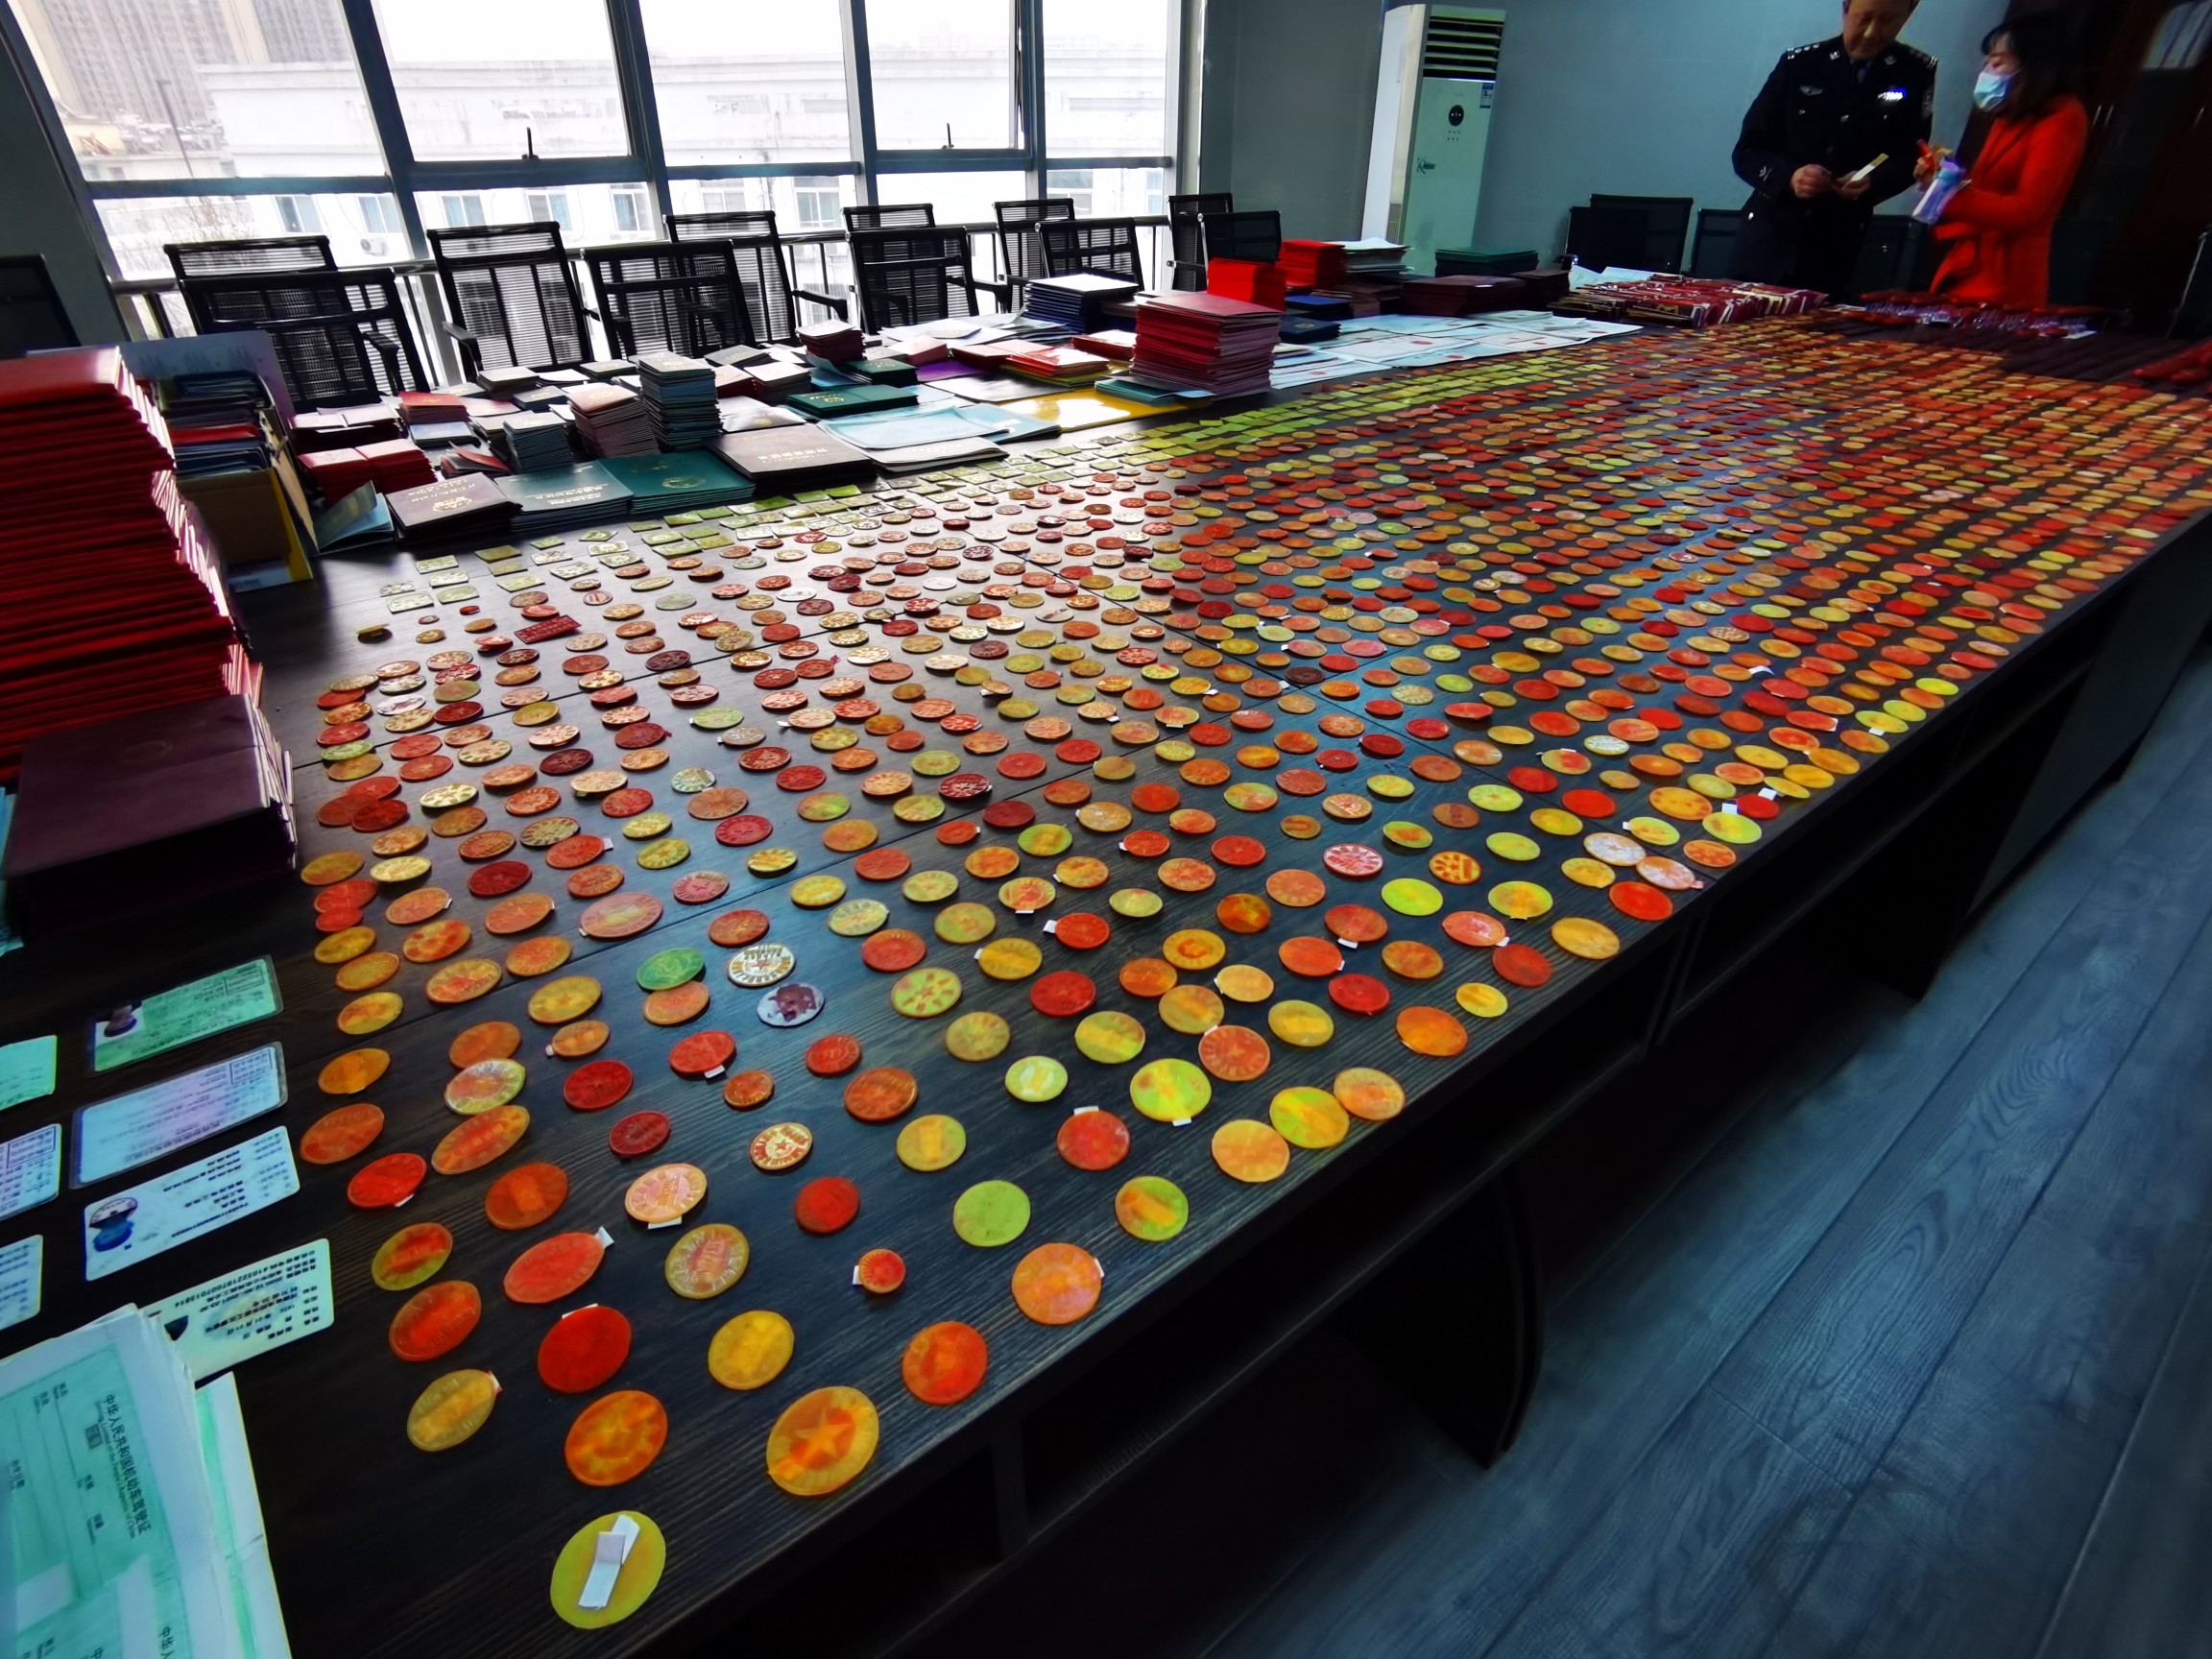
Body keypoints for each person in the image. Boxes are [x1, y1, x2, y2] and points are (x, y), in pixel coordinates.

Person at [1732, 0, 1936, 299]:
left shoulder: (1914, 72)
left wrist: (1872, 179)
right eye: (1864, 18)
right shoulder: (1800, 65)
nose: (1871, 32)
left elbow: (1911, 154)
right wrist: (1790, 176)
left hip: (1838, 241)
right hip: (1769, 236)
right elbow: (1748, 150)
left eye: (1886, 21)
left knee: (1816, 327)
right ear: (1845, 8)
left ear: (1909, 13)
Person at [1919, 15, 2089, 308]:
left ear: (2033, 67)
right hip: (1969, 264)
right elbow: (1986, 188)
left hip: (2007, 276)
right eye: (1987, 62)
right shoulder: (2011, 113)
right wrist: (1941, 176)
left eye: (1997, 63)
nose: (1986, 71)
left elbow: (2028, 211)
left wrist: (1951, 194)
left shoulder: (2062, 117)